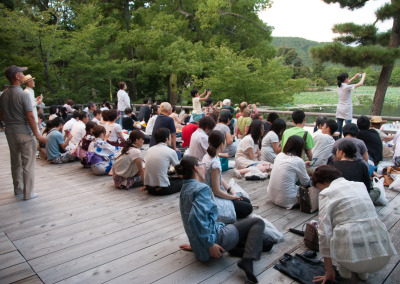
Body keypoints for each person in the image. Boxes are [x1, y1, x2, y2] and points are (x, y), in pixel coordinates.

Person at [177, 156, 270, 283]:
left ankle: (236, 250)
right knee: (257, 222)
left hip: (200, 248)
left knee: (266, 243)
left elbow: (188, 218)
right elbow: (195, 218)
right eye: (202, 164)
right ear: (196, 168)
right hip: (216, 240)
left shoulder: (185, 188)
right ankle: (247, 261)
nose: (205, 167)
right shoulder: (201, 189)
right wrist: (209, 243)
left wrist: (195, 243)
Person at [311, 165, 396, 283]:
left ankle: (345, 270)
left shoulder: (326, 192)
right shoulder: (360, 185)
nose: (319, 190)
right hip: (380, 252)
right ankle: (363, 273)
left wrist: (329, 269)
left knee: (339, 229)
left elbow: (324, 231)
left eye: (318, 187)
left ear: (324, 181)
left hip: (350, 256)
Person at [0, 65, 47, 200]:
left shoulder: (4, 95)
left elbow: (1, 115)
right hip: (24, 132)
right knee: (27, 163)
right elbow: (30, 116)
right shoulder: (23, 94)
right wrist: (38, 135)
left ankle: (18, 189)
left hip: (10, 132)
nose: (23, 75)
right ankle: (28, 193)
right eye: (21, 73)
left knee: (15, 162)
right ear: (16, 76)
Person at [202, 130, 253, 220]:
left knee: (246, 200)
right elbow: (216, 191)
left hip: (212, 192)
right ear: (222, 144)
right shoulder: (214, 163)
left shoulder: (209, 156)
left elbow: (218, 178)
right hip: (213, 198)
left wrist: (231, 190)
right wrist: (231, 197)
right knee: (248, 208)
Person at [267, 135, 310, 209]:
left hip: (271, 195)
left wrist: (302, 166)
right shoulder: (298, 161)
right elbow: (306, 182)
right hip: (286, 200)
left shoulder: (279, 155)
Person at [144, 128, 182, 195]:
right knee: (185, 180)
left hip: (149, 188)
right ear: (166, 139)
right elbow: (179, 172)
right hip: (162, 189)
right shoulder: (171, 151)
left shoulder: (149, 150)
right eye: (170, 137)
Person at [336, 72, 366, 137]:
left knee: (338, 128)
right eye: (348, 78)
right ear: (346, 79)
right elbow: (360, 83)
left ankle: (337, 141)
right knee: (348, 128)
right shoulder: (346, 87)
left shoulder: (339, 86)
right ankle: (347, 140)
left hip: (339, 109)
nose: (349, 79)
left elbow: (348, 82)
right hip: (346, 109)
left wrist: (355, 77)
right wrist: (363, 76)